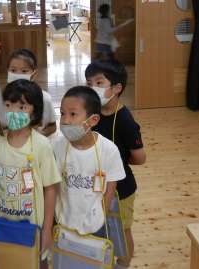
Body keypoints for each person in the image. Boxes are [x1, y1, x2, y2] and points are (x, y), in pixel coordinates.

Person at [0, 79, 61, 263]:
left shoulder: (42, 145)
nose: (13, 112)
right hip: (1, 226)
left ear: (34, 112)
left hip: (32, 229)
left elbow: (50, 189)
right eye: (8, 105)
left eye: (22, 107)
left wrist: (47, 229)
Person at [85, 59, 146, 268]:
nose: (92, 88)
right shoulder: (91, 113)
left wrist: (117, 160)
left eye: (99, 83)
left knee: (121, 230)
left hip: (122, 189)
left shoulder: (125, 120)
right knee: (99, 227)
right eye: (89, 83)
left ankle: (123, 264)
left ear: (117, 88)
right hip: (95, 185)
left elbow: (140, 158)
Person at [53, 86, 125, 238]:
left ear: (93, 120)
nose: (65, 120)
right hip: (63, 222)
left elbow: (110, 188)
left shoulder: (109, 150)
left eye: (73, 114)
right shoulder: (57, 146)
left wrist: (102, 214)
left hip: (95, 224)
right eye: (62, 113)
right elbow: (52, 184)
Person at [7, 49, 57, 141]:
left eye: (24, 71)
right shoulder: (4, 99)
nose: (18, 74)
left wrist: (39, 136)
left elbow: (53, 126)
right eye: (13, 70)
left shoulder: (45, 98)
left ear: (34, 74)